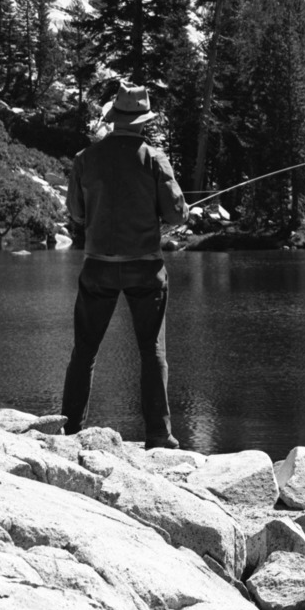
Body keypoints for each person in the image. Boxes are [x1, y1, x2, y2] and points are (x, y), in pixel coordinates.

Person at [61, 85, 188, 448]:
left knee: (84, 351)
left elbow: (76, 212)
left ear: (114, 119)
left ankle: (70, 430)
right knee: (152, 351)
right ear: (143, 122)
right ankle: (159, 435)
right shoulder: (154, 158)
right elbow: (176, 214)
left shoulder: (85, 158)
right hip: (145, 269)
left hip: (98, 267)